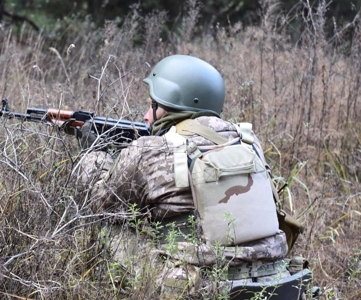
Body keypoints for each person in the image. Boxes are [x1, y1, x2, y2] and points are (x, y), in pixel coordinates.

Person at [76, 55, 308, 299]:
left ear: (171, 104)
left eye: (151, 105)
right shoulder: (248, 140)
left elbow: (101, 204)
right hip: (274, 281)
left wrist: (94, 154)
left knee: (108, 227)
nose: (145, 115)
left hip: (201, 286)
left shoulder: (149, 150)